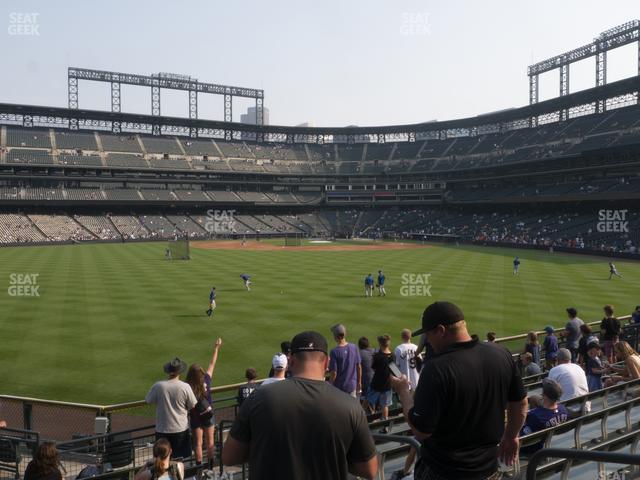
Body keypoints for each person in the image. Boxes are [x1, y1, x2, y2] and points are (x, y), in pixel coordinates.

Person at [390, 301, 527, 480]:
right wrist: (511, 436)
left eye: (428, 335)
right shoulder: (500, 353)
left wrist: (403, 392)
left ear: (440, 330)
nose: (428, 341)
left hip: (444, 471)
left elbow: (422, 430)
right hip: (489, 470)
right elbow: (520, 403)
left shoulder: (436, 368)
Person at [222, 331, 378, 480]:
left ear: (290, 361)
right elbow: (370, 470)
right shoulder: (351, 406)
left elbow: (229, 457)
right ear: (327, 362)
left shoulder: (258, 397)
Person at [146, 358, 197, 459]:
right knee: (181, 460)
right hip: (180, 429)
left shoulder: (158, 386)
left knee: (162, 460)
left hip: (162, 429)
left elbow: (148, 400)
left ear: (168, 372)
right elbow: (192, 405)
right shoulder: (185, 386)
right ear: (180, 372)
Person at [185, 338, 221, 467]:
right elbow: (212, 364)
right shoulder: (206, 379)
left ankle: (199, 467)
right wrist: (216, 348)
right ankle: (211, 466)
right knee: (210, 442)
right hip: (208, 414)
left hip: (195, 417)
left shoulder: (187, 386)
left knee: (198, 444)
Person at [520, 379, 568, 455]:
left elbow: (522, 436)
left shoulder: (535, 415)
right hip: (545, 440)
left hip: (528, 448)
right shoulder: (563, 410)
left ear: (544, 395)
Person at [365, 335, 394, 433]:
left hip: (376, 383)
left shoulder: (377, 356)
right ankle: (384, 426)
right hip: (387, 384)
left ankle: (359, 419)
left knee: (367, 400)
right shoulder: (392, 355)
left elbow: (374, 367)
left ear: (380, 343)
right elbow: (393, 369)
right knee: (384, 405)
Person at [547, 348, 590, 415]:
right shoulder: (578, 367)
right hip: (585, 407)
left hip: (567, 411)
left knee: (538, 399)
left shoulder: (554, 370)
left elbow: (549, 393)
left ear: (558, 359)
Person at [329, 324, 362, 397]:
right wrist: (359, 382)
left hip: (339, 388)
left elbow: (334, 373)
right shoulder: (354, 347)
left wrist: (330, 385)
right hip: (352, 386)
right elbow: (359, 367)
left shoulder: (334, 351)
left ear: (335, 336)